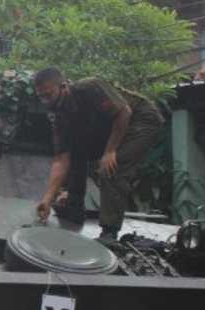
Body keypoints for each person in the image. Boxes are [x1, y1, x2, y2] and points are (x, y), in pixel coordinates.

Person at [33, 68, 165, 241]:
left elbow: (124, 112)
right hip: (109, 128)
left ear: (64, 87)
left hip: (140, 119)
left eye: (48, 95)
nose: (45, 101)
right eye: (41, 96)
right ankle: (73, 210)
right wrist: (47, 200)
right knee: (75, 152)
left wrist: (110, 151)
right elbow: (61, 159)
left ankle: (109, 231)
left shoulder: (89, 87)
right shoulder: (59, 117)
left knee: (112, 167)